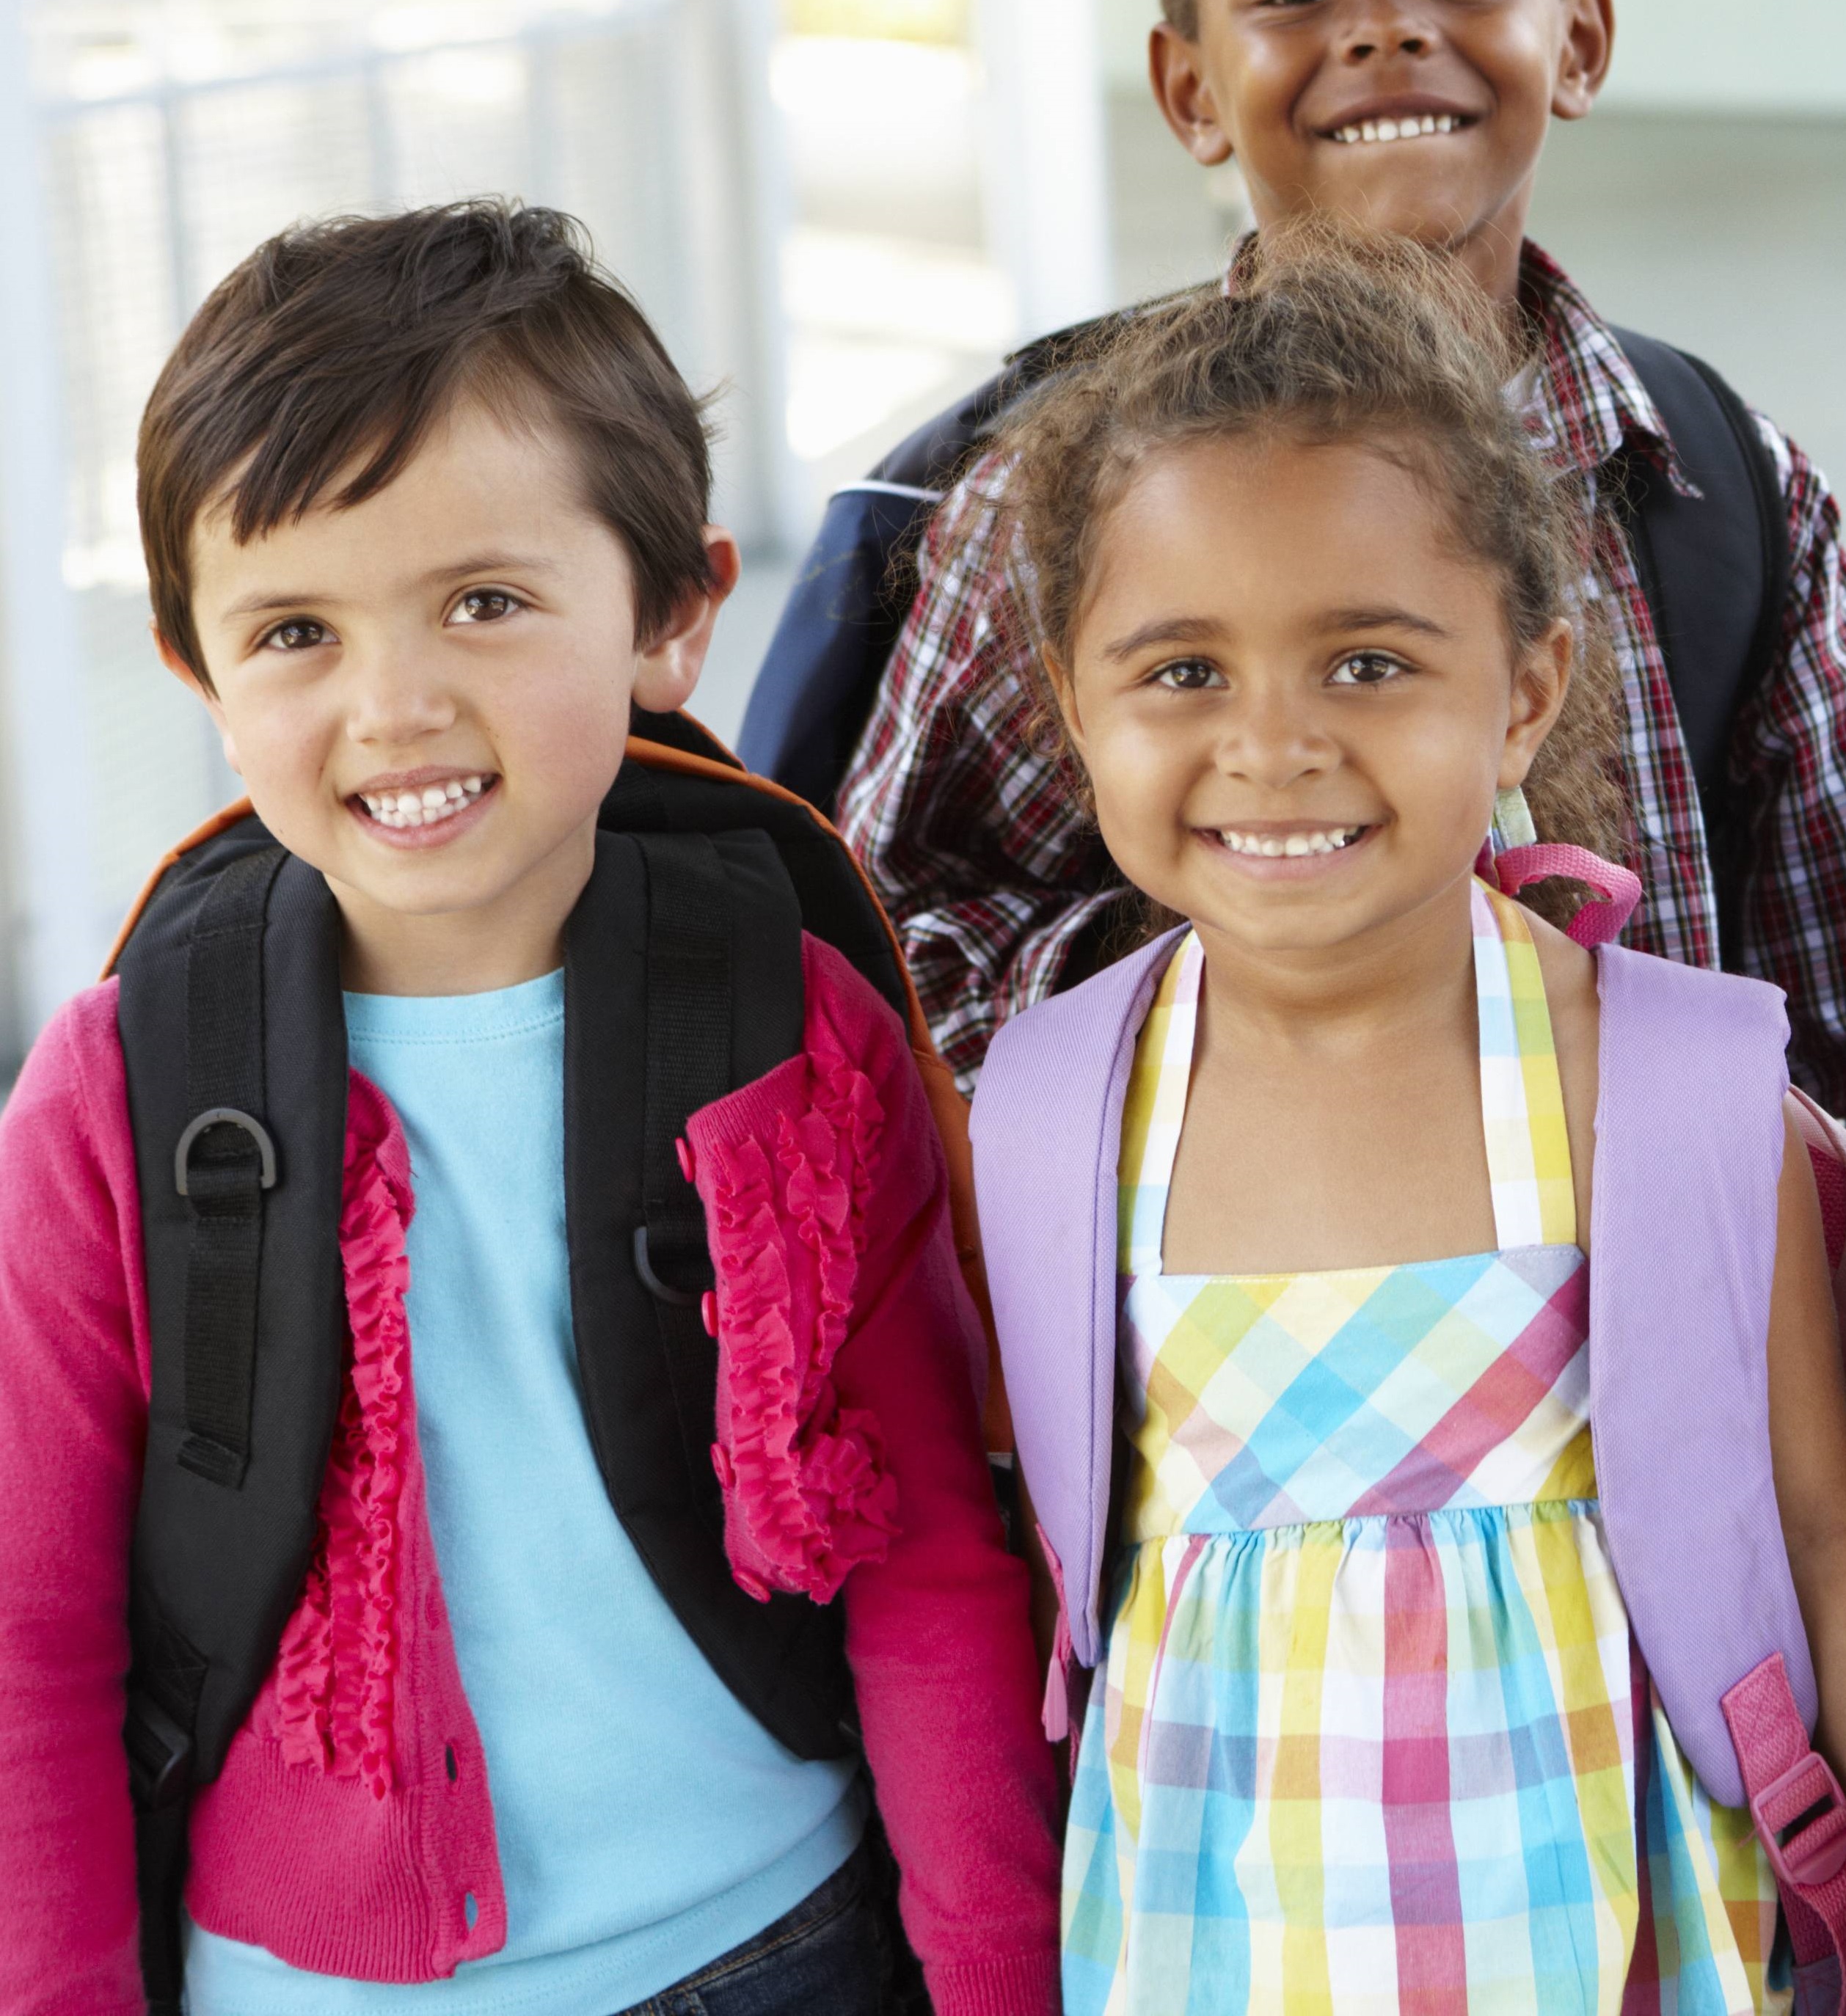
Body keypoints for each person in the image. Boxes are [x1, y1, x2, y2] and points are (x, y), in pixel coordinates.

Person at [0, 202, 1058, 2012]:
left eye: (485, 603)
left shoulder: (790, 1023)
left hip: (779, 1946)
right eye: (296, 631)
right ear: (199, 671)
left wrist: (1000, 1977)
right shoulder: (117, 1089)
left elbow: (926, 1565)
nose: (396, 704)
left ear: (672, 614)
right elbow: (29, 1641)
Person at [762, 0, 1846, 1213]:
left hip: (1669, 1340)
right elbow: (886, 954)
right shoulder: (1065, 492)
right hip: (1211, 1358)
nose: (1387, 30)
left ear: (1579, 37)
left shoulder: (1717, 481)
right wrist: (1270, 967)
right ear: (1192, 85)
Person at [951, 238, 1846, 2014]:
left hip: (1612, 1945)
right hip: (1201, 1948)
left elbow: (1831, 1530)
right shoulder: (1046, 1111)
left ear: (1525, 690)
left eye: (1369, 663)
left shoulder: (1673, 1090)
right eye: (1181, 674)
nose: (1276, 745)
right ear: (1075, 709)